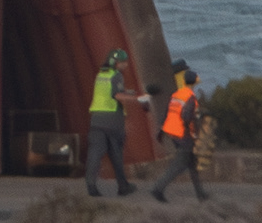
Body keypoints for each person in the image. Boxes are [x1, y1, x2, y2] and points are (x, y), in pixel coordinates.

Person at [81, 48, 142, 197]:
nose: (125, 65)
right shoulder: (117, 75)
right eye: (123, 62)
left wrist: (127, 91)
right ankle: (123, 186)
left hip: (96, 120)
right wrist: (137, 99)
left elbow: (108, 92)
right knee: (116, 154)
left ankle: (91, 184)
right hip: (113, 120)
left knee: (95, 153)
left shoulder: (101, 75)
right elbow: (117, 95)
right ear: (116, 63)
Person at [149, 64, 209, 204]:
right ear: (194, 83)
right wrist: (193, 132)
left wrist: (162, 130)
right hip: (184, 135)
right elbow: (187, 116)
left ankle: (201, 194)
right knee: (179, 166)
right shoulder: (191, 98)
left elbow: (168, 113)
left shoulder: (176, 95)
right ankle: (158, 189)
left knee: (192, 164)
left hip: (173, 133)